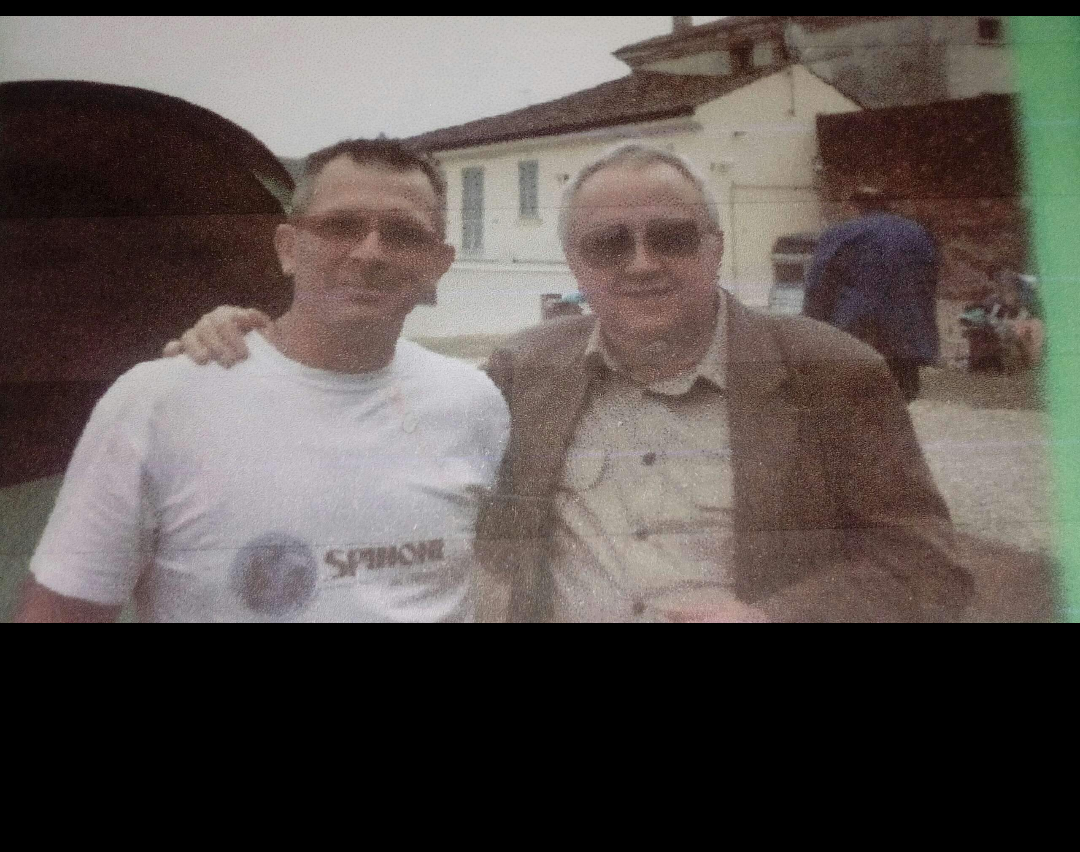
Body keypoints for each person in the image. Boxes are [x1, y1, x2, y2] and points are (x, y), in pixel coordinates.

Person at [166, 144, 973, 625]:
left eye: (670, 237)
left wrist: (773, 618)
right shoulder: (524, 372)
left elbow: (928, 565)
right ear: (576, 265)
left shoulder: (831, 372)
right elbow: (377, 442)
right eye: (608, 243)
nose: (642, 263)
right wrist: (256, 340)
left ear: (715, 247)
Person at [14, 140, 510, 623]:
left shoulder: (473, 401)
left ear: (437, 265)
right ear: (288, 248)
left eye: (403, 234)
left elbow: (488, 579)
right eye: (340, 226)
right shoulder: (160, 402)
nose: (369, 253)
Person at [802, 186, 940, 401]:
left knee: (857, 395)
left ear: (854, 206)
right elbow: (930, 278)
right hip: (907, 330)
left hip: (858, 328)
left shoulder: (841, 234)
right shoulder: (917, 233)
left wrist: (812, 326)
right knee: (901, 396)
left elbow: (820, 283)